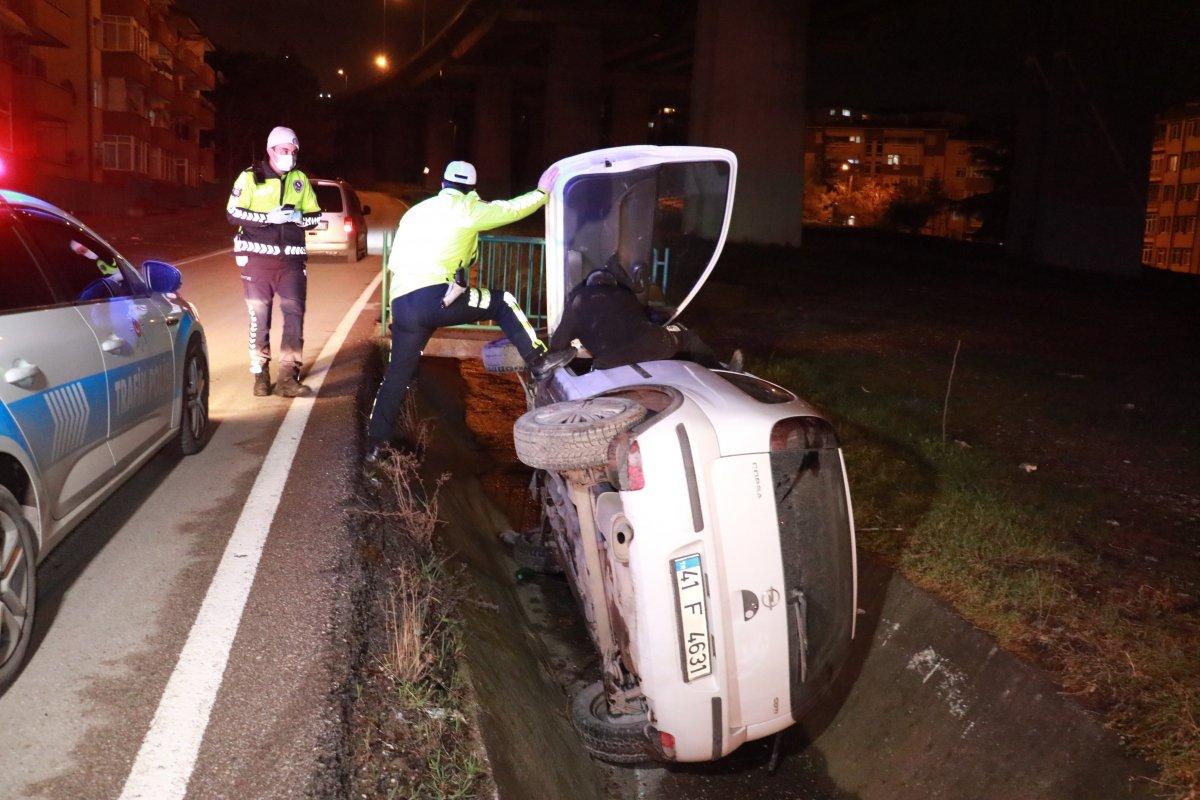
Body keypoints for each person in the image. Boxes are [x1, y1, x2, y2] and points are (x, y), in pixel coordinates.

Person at [365, 160, 574, 463]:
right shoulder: (468, 209)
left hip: (402, 303)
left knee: (397, 374)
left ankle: (375, 444)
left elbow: (401, 259)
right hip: (435, 299)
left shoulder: (415, 212)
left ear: (443, 185)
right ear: (472, 189)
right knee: (503, 302)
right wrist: (542, 193)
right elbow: (510, 210)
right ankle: (538, 359)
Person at [226, 125, 322, 398]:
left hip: (291, 261)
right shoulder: (249, 178)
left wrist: (299, 218)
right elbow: (233, 213)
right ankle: (260, 375)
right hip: (257, 260)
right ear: (270, 150)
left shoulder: (300, 179)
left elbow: (315, 216)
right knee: (260, 317)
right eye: (284, 150)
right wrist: (269, 217)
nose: (289, 156)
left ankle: (288, 378)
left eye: (293, 151)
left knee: (294, 317)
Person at [548, 255, 726, 370]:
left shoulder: (577, 301)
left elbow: (557, 344)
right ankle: (722, 373)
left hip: (610, 361)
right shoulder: (625, 295)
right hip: (653, 345)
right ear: (613, 284)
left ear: (589, 285)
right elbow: (644, 319)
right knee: (688, 339)